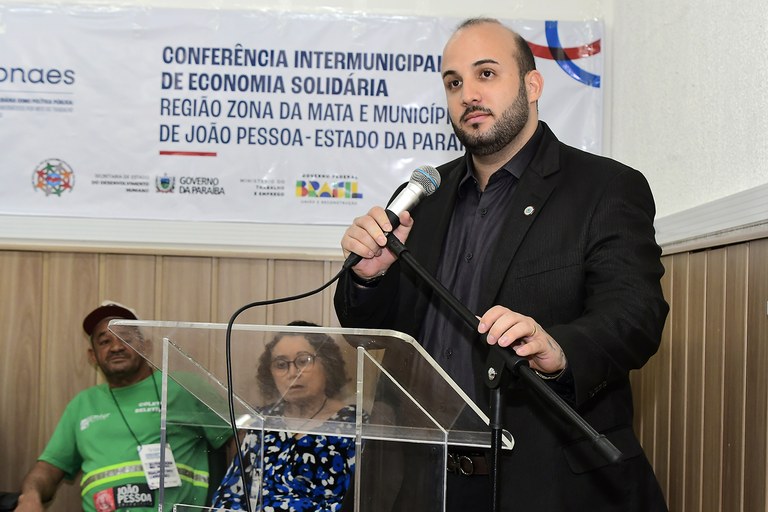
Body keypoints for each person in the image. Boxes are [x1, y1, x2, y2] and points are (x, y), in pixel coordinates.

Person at [334, 17, 669, 512]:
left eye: (486, 73)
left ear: (532, 85)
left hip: (546, 484)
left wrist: (560, 348)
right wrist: (370, 276)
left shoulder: (604, 187)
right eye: (454, 82)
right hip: (427, 482)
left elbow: (635, 315)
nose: (468, 93)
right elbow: (370, 329)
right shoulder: (422, 197)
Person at [15, 301, 231, 512]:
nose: (116, 346)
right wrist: (30, 497)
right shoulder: (82, 404)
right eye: (104, 341)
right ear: (92, 356)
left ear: (147, 346)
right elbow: (48, 469)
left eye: (125, 338)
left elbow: (241, 440)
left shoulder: (183, 386)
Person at [210, 321, 360, 511]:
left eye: (303, 361)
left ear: (328, 364)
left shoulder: (355, 423)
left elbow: (362, 500)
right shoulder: (262, 420)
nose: (292, 373)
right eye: (281, 365)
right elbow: (230, 495)